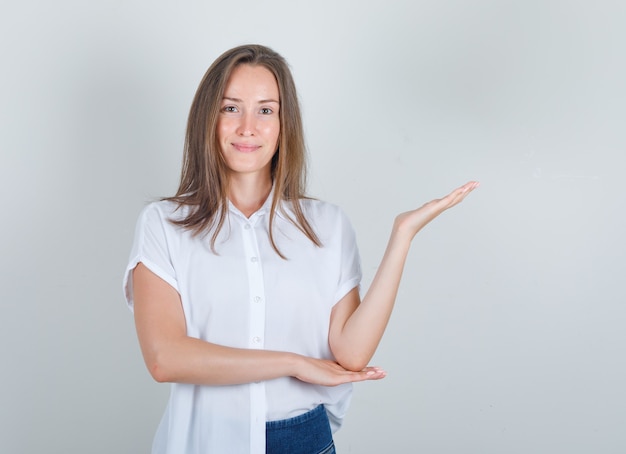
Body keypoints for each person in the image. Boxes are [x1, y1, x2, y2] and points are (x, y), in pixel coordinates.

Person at [123, 44, 478, 454]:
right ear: (208, 117)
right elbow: (165, 358)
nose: (248, 127)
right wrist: (293, 363)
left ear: (284, 122)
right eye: (231, 108)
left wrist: (402, 237)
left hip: (303, 440)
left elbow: (350, 353)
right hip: (208, 437)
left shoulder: (326, 225)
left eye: (266, 110)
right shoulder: (164, 224)